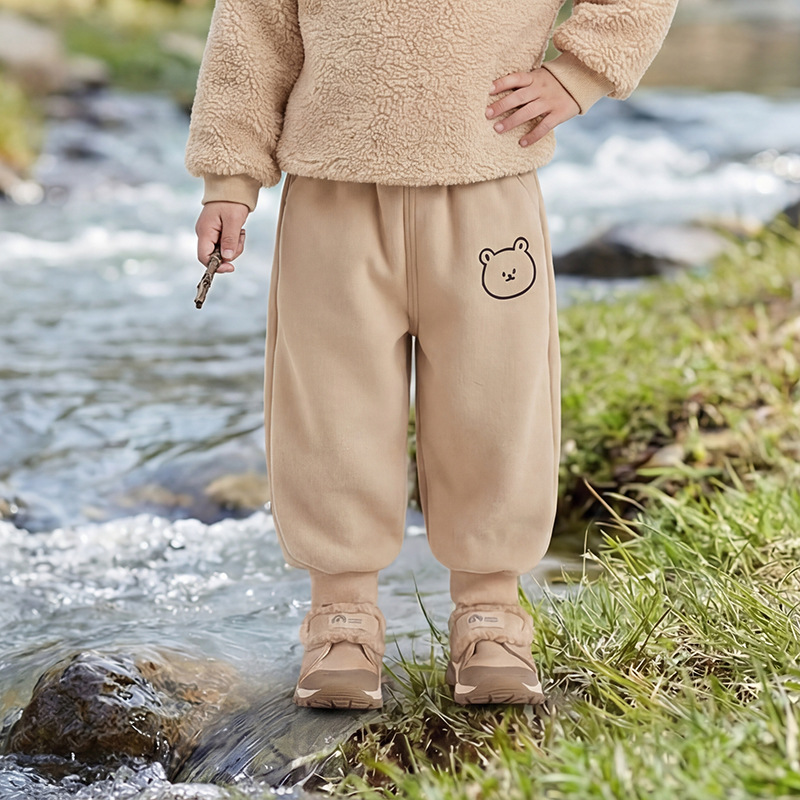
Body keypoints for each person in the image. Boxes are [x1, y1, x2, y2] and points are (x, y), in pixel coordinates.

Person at [185, 0, 678, 708]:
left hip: (486, 188)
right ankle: (341, 618)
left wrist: (579, 75)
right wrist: (229, 180)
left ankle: (491, 615)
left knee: (495, 404)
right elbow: (251, 31)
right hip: (331, 191)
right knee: (330, 408)